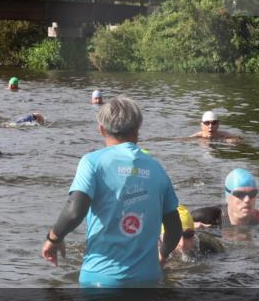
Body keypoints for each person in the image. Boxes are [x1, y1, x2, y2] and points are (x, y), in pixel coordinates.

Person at [40, 95, 183, 286]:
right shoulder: (157, 169)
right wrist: (162, 256)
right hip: (147, 280)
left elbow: (74, 211)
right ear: (138, 128)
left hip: (101, 279)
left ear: (101, 129)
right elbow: (174, 228)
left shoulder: (92, 162)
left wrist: (54, 238)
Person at [191, 169, 259, 228]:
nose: (247, 199)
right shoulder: (207, 216)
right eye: (240, 194)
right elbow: (176, 223)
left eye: (252, 193)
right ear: (227, 197)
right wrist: (187, 227)